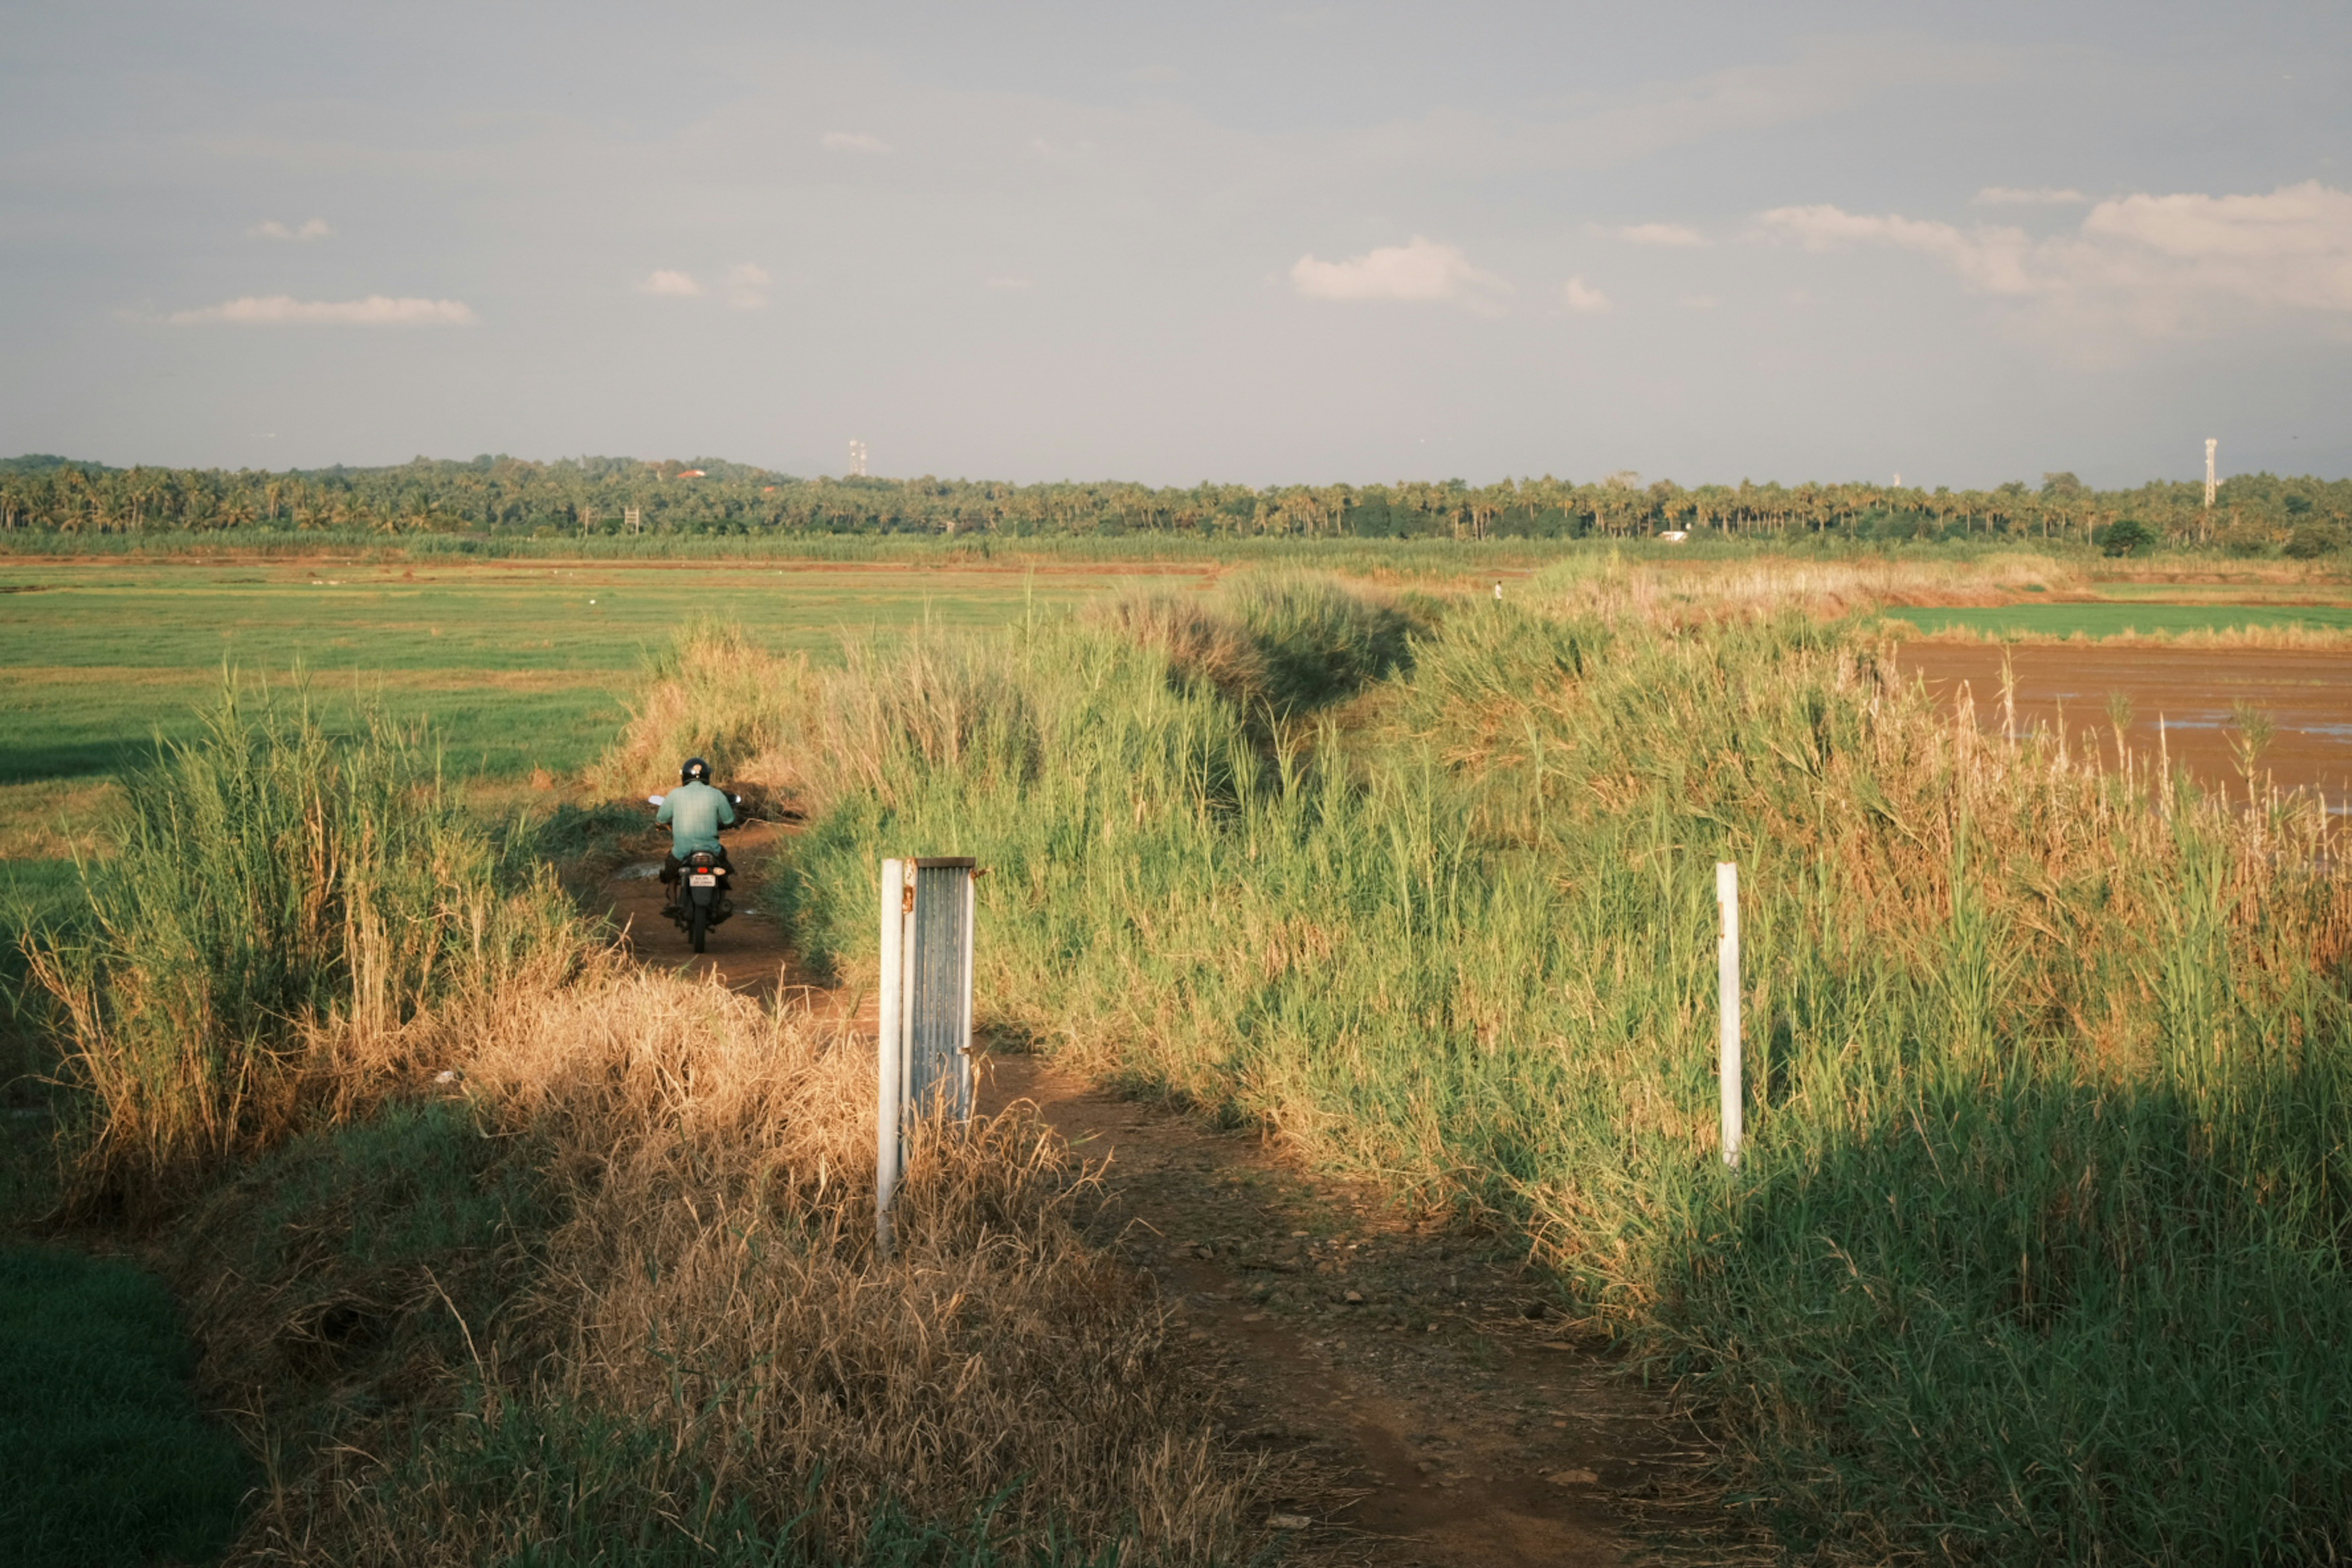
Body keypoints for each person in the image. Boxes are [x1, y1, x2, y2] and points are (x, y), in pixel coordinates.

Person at [656, 756, 737, 908]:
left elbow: (661, 818)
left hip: (682, 851)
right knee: (725, 870)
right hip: (712, 851)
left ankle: (673, 902)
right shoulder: (717, 794)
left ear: (684, 776)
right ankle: (721, 902)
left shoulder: (675, 794)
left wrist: (663, 824)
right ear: (707, 775)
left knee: (671, 872)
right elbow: (729, 820)